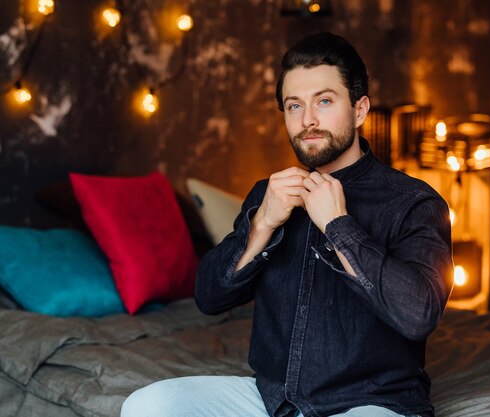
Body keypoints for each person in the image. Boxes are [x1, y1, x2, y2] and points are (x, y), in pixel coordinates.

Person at [121, 31, 453, 417]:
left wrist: (339, 226)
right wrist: (262, 223)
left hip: (370, 403)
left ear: (360, 110)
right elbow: (208, 299)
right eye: (294, 106)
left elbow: (418, 316)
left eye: (324, 101)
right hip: (273, 401)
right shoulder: (272, 194)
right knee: (147, 405)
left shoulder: (413, 201)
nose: (307, 120)